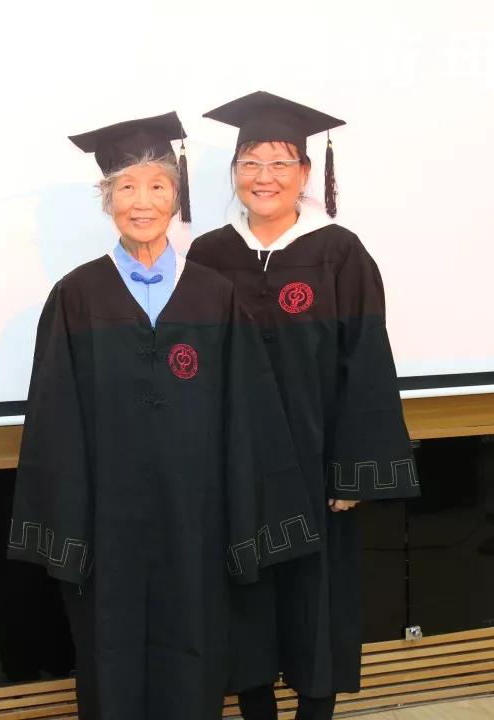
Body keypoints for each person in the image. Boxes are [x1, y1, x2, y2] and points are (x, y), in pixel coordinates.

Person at [8, 110, 319, 720]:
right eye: (126, 187)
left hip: (195, 514)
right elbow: (53, 418)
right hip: (107, 519)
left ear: (177, 198)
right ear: (108, 201)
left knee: (194, 647)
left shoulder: (213, 295)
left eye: (157, 186)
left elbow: (247, 411)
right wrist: (68, 524)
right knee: (110, 649)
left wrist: (243, 512)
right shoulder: (77, 295)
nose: (142, 202)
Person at [187, 91, 420, 720]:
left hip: (318, 464)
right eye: (250, 163)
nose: (263, 177)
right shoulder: (208, 255)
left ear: (306, 172)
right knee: (246, 593)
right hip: (237, 463)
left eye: (279, 163)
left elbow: (366, 361)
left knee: (318, 597)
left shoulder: (340, 252)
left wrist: (352, 470)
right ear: (234, 171)